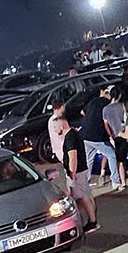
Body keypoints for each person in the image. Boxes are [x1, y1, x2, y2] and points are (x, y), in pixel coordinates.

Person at [49, 99, 98, 231]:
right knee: (82, 195)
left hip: (77, 172)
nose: (55, 130)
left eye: (55, 127)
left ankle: (92, 221)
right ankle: (88, 219)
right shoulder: (73, 135)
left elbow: (73, 158)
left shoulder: (70, 138)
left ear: (62, 125)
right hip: (79, 170)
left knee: (82, 196)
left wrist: (71, 175)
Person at [79, 92, 122, 193]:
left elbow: (82, 111)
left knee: (89, 159)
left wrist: (90, 119)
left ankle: (85, 183)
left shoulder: (93, 101)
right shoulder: (107, 105)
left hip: (85, 134)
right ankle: (115, 181)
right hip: (98, 136)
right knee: (112, 155)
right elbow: (108, 121)